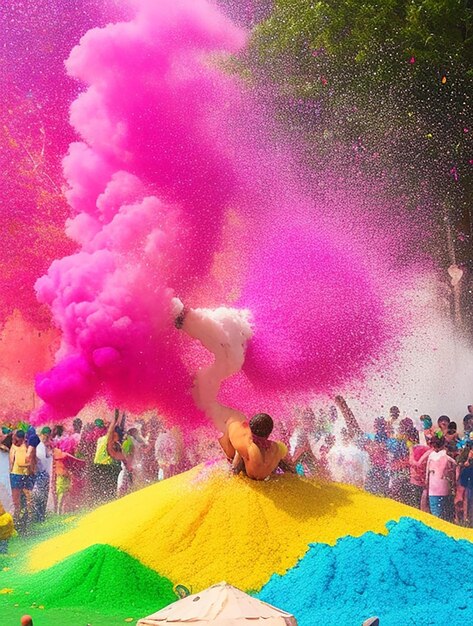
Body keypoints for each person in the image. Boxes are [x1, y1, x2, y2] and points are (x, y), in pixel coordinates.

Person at [174, 301, 293, 480]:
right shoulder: (264, 446)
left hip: (223, 405)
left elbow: (241, 467)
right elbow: (246, 463)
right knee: (220, 371)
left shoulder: (257, 446)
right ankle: (183, 317)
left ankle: (184, 318)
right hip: (227, 416)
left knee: (219, 371)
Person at [425, 435, 456, 521]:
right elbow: (455, 464)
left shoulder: (431, 456)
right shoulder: (446, 456)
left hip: (433, 488)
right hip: (444, 487)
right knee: (443, 512)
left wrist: (426, 484)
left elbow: (427, 473)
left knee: (435, 513)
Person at [9, 430, 34, 530]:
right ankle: (19, 522)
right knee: (20, 502)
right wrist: (30, 465)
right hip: (19, 475)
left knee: (20, 502)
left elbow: (11, 462)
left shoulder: (14, 447)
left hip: (16, 475)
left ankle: (20, 521)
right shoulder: (23, 448)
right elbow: (19, 463)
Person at [32, 427, 53, 522]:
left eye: (48, 436)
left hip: (45, 474)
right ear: (42, 435)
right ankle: (38, 516)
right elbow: (41, 459)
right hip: (40, 474)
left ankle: (41, 516)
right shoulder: (39, 446)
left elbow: (48, 457)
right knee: (39, 495)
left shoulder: (45, 446)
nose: (47, 438)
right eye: (46, 436)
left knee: (44, 495)